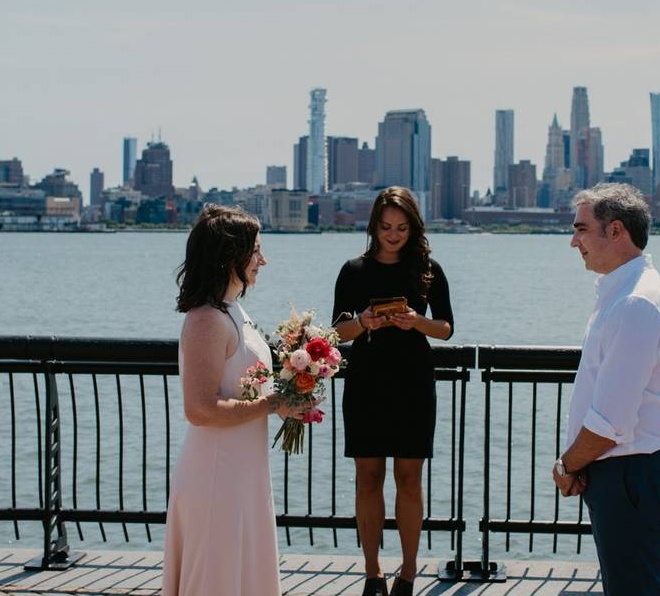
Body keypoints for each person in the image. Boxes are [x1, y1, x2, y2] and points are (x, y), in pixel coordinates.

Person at [552, 183, 660, 596]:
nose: (574, 242)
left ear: (615, 231)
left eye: (581, 229)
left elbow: (611, 421)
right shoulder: (624, 292)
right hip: (629, 471)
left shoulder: (635, 304)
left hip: (632, 474)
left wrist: (568, 465)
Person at [163, 205, 303, 596]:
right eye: (255, 251)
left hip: (243, 468)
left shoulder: (235, 312)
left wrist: (291, 393)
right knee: (217, 573)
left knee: (239, 571)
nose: (263, 260)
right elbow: (200, 409)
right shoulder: (206, 320)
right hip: (216, 472)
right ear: (230, 257)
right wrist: (273, 404)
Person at [332, 187, 454, 596]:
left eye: (402, 227)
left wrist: (416, 321)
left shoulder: (429, 269)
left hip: (413, 382)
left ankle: (409, 572)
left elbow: (447, 328)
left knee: (409, 478)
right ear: (374, 227)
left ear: (413, 227)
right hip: (366, 381)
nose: (394, 234)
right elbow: (334, 332)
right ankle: (372, 573)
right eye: (386, 226)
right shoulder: (353, 270)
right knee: (367, 477)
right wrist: (365, 321)